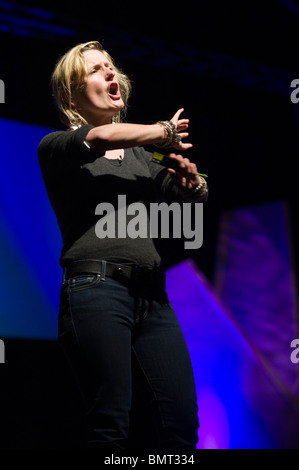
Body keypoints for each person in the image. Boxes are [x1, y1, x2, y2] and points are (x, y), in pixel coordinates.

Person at [38, 40, 208, 450]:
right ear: (71, 94)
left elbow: (191, 192)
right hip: (96, 291)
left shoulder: (141, 161)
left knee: (181, 423)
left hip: (153, 298)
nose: (110, 74)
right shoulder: (56, 146)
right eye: (96, 70)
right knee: (111, 423)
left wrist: (193, 183)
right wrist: (162, 133)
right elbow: (101, 137)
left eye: (111, 67)